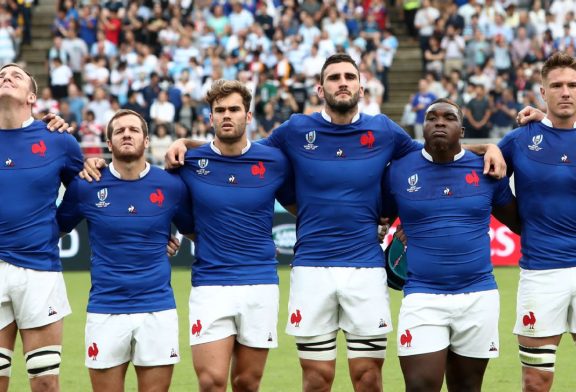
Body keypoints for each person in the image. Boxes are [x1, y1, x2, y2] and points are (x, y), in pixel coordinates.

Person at [87, 54, 505, 392]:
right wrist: (187, 143)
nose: (343, 83)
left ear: (361, 86)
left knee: (368, 379)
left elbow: (439, 147)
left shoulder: (384, 131)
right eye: (334, 78)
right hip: (310, 270)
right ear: (320, 89)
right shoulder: (295, 130)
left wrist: (490, 147)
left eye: (349, 77)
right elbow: (238, 148)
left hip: (365, 269)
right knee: (316, 379)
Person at [79, 80, 295, 392]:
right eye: (219, 111)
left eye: (234, 109)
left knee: (247, 383)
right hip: (210, 283)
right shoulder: (188, 163)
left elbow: (300, 206)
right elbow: (158, 200)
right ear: (210, 118)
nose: (227, 116)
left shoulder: (273, 161)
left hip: (260, 281)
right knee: (211, 382)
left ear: (248, 116)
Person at [382, 98, 520, 392]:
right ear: (423, 127)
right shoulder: (398, 170)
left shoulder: (486, 169)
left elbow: (520, 223)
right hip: (422, 297)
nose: (440, 122)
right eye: (432, 118)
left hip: (478, 296)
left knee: (467, 388)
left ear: (463, 129)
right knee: (420, 386)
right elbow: (376, 216)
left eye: (449, 117)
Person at [56, 109, 194, 392]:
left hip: (157, 308)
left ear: (146, 141)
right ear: (109, 143)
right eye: (119, 131)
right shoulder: (86, 185)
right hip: (105, 310)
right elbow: (52, 231)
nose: (127, 134)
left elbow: (196, 232)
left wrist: (167, 243)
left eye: (134, 130)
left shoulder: (171, 186)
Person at [0, 63, 83, 392]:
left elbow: (84, 189)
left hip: (39, 269)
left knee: (46, 381)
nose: (6, 77)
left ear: (32, 96)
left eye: (15, 76)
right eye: (1, 76)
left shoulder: (58, 140)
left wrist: (58, 226)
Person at [501, 51, 576, 392]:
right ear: (542, 93)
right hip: (542, 273)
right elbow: (481, 178)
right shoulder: (519, 140)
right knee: (535, 381)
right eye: (557, 85)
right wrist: (487, 148)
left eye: (573, 85)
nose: (566, 92)